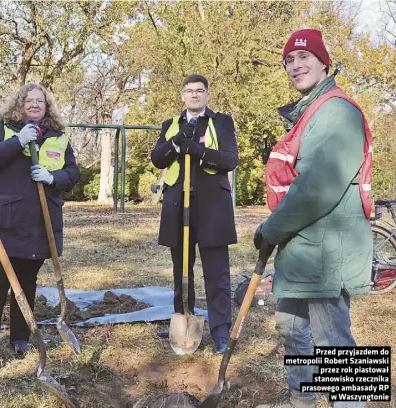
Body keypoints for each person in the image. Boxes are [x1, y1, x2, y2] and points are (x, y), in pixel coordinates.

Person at [254, 29, 372, 408]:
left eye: (304, 57)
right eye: (288, 60)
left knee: (334, 341)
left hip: (326, 251)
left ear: (324, 62)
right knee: (290, 328)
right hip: (301, 248)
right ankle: (300, 401)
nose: (295, 65)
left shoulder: (338, 111)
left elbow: (317, 188)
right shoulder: (310, 111)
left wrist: (270, 229)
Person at [0, 83, 79, 359]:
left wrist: (53, 177)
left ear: (47, 107)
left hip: (39, 222)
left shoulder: (59, 136)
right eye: (28, 101)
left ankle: (21, 336)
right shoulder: (3, 127)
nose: (34, 105)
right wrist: (17, 141)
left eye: (39, 101)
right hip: (4, 220)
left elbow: (72, 173)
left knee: (28, 280)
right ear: (19, 105)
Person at [151, 74, 238, 355]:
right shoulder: (170, 125)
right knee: (181, 270)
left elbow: (230, 159)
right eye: (189, 91)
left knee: (216, 273)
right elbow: (157, 158)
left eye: (200, 91)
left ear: (207, 95)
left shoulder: (221, 122)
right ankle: (183, 317)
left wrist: (199, 151)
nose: (194, 95)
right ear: (182, 95)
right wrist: (175, 144)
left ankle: (221, 330)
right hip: (179, 208)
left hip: (212, 208)